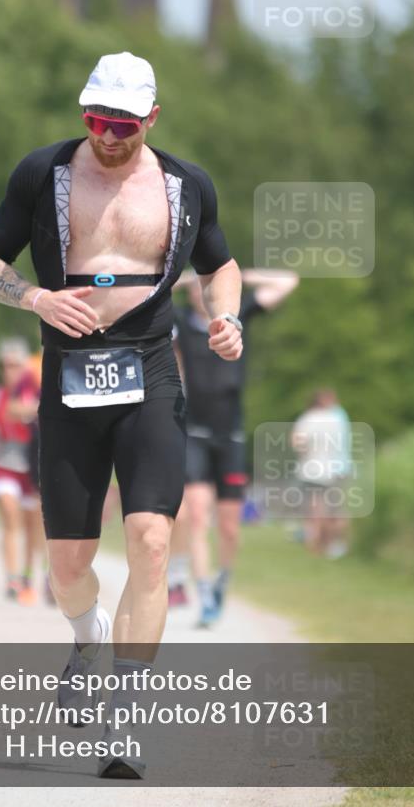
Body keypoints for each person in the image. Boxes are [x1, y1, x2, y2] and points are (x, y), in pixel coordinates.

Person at [0, 50, 242, 779]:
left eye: (123, 124)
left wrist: (228, 319)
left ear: (152, 118)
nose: (108, 135)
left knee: (153, 542)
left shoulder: (186, 185)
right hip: (68, 378)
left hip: (151, 374)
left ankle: (125, 723)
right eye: (95, 120)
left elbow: (220, 264)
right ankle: (84, 636)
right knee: (68, 566)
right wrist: (34, 297)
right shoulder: (44, 174)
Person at [169, 268, 299, 626]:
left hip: (231, 436)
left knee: (229, 527)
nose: (203, 290)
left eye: (209, 284)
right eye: (198, 286)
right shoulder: (179, 319)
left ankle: (223, 577)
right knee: (196, 514)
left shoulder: (236, 318)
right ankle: (205, 589)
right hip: (193, 432)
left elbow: (288, 281)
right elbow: (148, 293)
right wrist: (181, 278)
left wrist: (236, 275)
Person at [0, 338, 43, 603]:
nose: (10, 371)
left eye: (16, 365)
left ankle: (27, 574)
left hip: (32, 464)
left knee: (33, 524)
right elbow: (3, 418)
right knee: (10, 515)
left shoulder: (36, 390)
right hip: (4, 464)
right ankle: (11, 576)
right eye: (6, 366)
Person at [291, 388, 352, 559]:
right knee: (334, 509)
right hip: (335, 470)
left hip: (311, 470)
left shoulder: (308, 419)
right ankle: (331, 543)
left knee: (316, 509)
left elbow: (297, 443)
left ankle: (316, 544)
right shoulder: (338, 418)